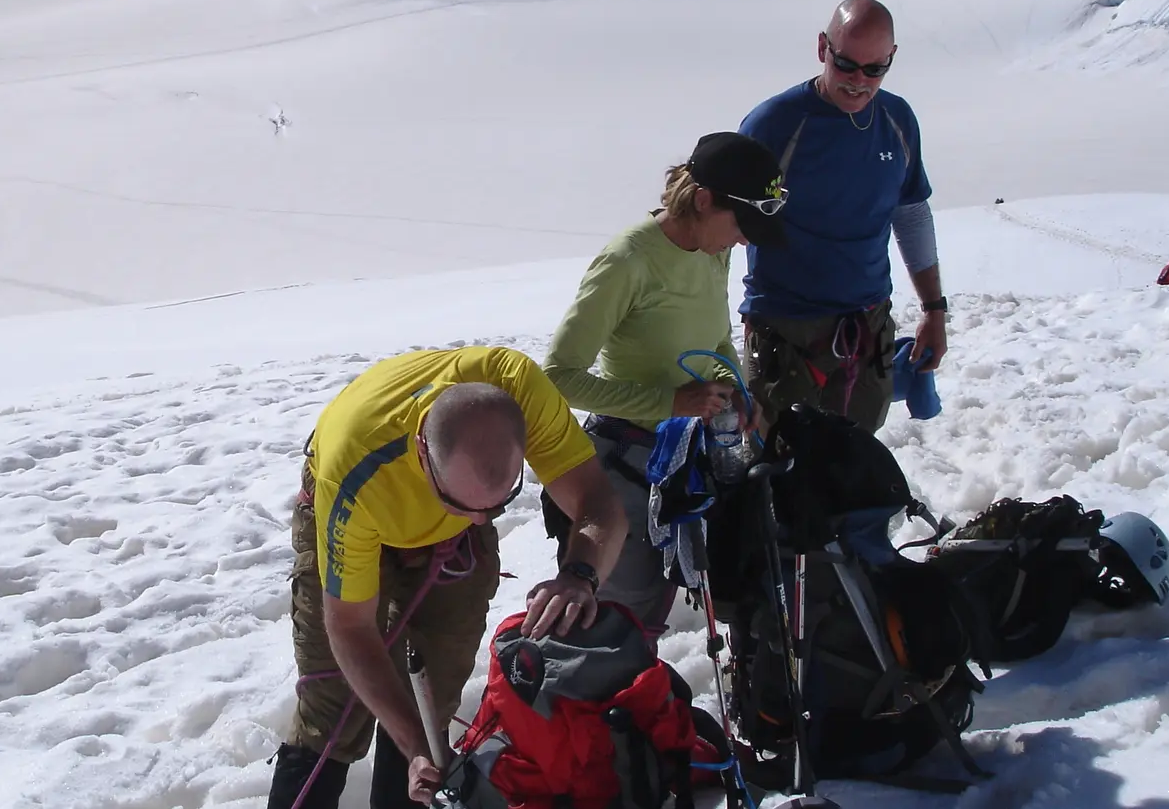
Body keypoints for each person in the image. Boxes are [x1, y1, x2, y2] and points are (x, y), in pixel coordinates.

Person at [265, 346, 628, 809]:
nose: (481, 522)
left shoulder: (519, 389)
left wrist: (580, 575)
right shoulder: (355, 471)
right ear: (423, 453)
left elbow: (599, 502)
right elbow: (350, 629)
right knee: (333, 707)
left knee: (431, 695)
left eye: (498, 505)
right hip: (354, 509)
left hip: (443, 540)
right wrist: (412, 745)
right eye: (462, 504)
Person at [540, 132, 786, 636]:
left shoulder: (711, 248)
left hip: (683, 462)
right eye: (741, 223)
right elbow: (558, 376)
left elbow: (714, 339)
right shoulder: (629, 260)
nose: (743, 240)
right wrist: (668, 401)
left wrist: (734, 387)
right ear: (702, 200)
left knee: (652, 613)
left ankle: (640, 709)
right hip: (623, 468)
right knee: (611, 624)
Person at [737, 0, 946, 435]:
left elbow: (909, 214)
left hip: (867, 328)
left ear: (891, 59)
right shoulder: (775, 126)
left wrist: (933, 311)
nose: (859, 81)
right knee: (777, 471)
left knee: (850, 468)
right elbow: (725, 225)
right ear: (822, 49)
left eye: (875, 69)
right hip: (785, 330)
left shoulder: (897, 120)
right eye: (847, 64)